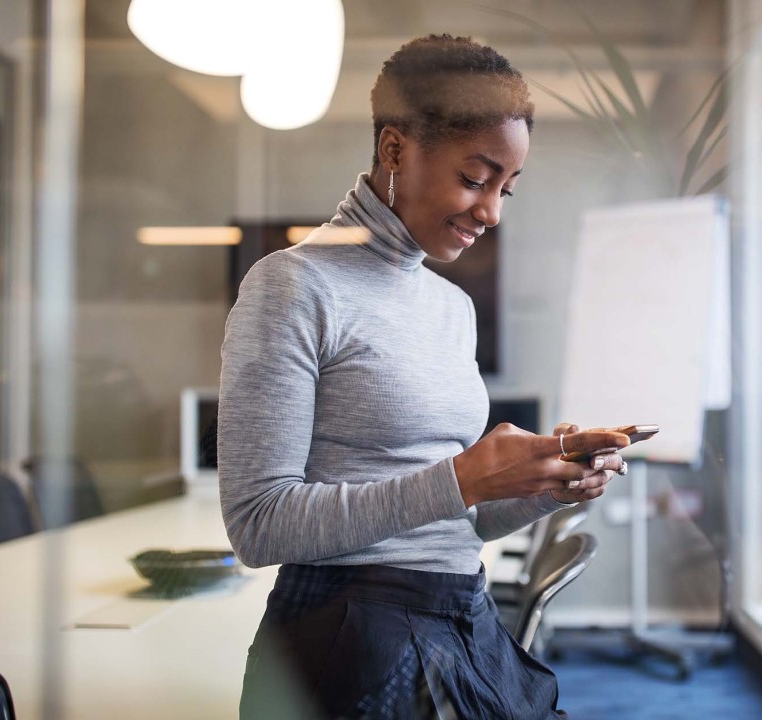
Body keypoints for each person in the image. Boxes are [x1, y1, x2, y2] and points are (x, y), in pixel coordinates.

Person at [219, 34, 630, 719]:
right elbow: (259, 528)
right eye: (475, 178)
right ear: (394, 150)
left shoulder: (451, 306)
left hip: (459, 615)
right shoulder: (293, 286)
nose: (492, 211)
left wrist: (539, 488)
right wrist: (466, 476)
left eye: (506, 188)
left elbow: (449, 524)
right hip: (349, 634)